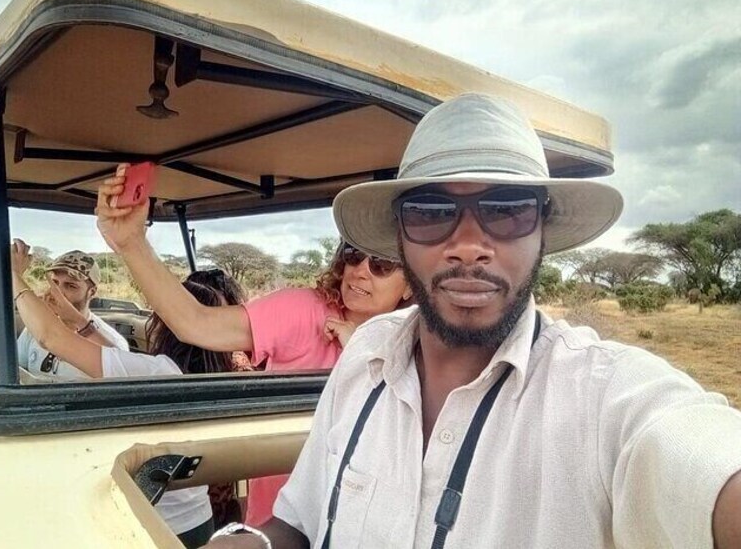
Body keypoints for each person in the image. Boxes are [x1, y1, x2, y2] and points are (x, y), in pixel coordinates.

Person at [202, 93, 741, 548]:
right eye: (431, 212)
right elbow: (301, 521)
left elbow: (699, 454)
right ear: (400, 237)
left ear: (542, 231)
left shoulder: (604, 397)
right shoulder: (367, 353)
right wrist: (250, 543)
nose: (467, 245)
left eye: (507, 209)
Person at [94, 178, 413, 525]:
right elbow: (196, 323)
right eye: (353, 255)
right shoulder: (304, 311)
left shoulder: (415, 341)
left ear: (410, 285)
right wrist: (132, 244)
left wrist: (360, 350)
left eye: (382, 264)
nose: (360, 271)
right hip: (282, 524)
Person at [11, 242, 233, 547]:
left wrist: (13, 275)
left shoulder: (159, 372)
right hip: (196, 517)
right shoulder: (214, 374)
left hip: (152, 523)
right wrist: (81, 323)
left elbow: (51, 337)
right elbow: (119, 360)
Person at [14, 245, 130, 378]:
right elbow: (17, 372)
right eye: (55, 283)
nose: (58, 293)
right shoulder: (35, 328)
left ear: (91, 292)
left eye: (71, 286)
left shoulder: (110, 342)